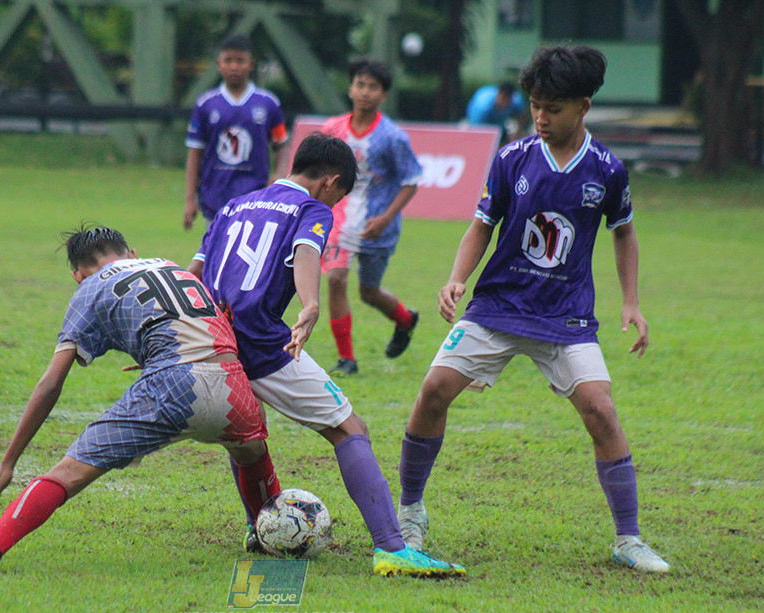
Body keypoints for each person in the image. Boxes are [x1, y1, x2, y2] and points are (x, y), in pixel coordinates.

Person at [396, 46, 670, 573]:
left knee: (602, 411)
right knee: (432, 391)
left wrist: (631, 302)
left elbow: (624, 231)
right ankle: (410, 513)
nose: (540, 117)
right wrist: (457, 279)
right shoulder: (511, 158)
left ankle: (628, 539)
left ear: (583, 106)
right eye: (535, 105)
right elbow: (481, 225)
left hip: (565, 316)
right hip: (497, 306)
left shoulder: (607, 169)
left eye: (554, 108)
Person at [0, 226, 281, 572]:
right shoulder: (171, 266)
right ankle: (268, 532)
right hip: (234, 384)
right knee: (251, 453)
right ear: (132, 254)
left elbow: (50, 384)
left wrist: (7, 463)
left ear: (78, 274)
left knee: (69, 474)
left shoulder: (89, 289)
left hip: (172, 386)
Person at [189, 132, 464, 578]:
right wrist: (311, 303)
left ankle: (260, 526)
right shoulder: (310, 208)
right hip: (262, 341)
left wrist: (175, 333)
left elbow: (192, 275)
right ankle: (393, 549)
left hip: (213, 340)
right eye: (338, 200)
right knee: (349, 428)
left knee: (246, 440)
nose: (333, 210)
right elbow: (306, 252)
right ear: (330, 182)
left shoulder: (233, 206)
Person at [320, 59, 423, 377]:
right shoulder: (332, 130)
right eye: (360, 85)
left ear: (383, 95)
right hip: (338, 220)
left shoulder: (392, 137)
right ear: (350, 88)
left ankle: (406, 320)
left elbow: (411, 181)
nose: (365, 92)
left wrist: (386, 218)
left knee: (368, 292)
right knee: (335, 280)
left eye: (373, 87)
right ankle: (346, 359)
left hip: (377, 226)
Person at [183, 34, 290, 231]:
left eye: (240, 61)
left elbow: (281, 143)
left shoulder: (268, 103)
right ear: (218, 64)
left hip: (255, 196)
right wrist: (190, 199)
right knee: (216, 255)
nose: (234, 67)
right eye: (228, 60)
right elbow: (195, 152)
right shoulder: (206, 104)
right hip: (215, 196)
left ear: (251, 64)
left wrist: (280, 173)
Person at [466, 81, 528, 145]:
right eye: (503, 99)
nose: (504, 104)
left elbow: (522, 115)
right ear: (498, 95)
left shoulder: (516, 101)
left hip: (500, 124)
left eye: (507, 100)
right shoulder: (483, 107)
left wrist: (517, 133)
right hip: (481, 123)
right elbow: (476, 130)